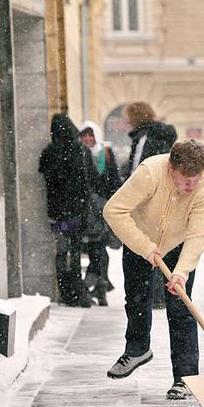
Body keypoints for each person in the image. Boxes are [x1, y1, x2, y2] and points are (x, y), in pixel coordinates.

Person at [103, 139, 204, 400]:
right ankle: (137, 349)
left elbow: (198, 234)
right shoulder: (150, 172)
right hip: (140, 237)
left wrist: (182, 273)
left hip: (178, 242)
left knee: (181, 307)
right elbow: (113, 210)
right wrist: (143, 245)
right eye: (185, 179)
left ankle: (185, 378)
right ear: (170, 168)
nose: (191, 186)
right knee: (136, 298)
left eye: (195, 179)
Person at [123, 102, 178, 309]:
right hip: (155, 198)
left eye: (129, 117)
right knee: (157, 247)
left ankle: (155, 294)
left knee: (150, 248)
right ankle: (158, 293)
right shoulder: (152, 135)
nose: (127, 122)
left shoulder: (146, 137)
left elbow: (139, 168)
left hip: (147, 199)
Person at [39, 114, 93, 308]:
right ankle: (77, 290)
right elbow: (85, 183)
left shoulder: (49, 153)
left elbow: (46, 178)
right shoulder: (79, 151)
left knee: (61, 252)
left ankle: (65, 292)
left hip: (57, 213)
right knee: (76, 251)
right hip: (77, 210)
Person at [79, 121, 122, 306]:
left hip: (105, 209)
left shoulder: (106, 153)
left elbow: (114, 179)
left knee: (100, 249)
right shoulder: (79, 154)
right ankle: (100, 285)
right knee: (97, 250)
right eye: (84, 135)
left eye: (91, 135)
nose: (88, 139)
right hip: (86, 211)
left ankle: (98, 286)